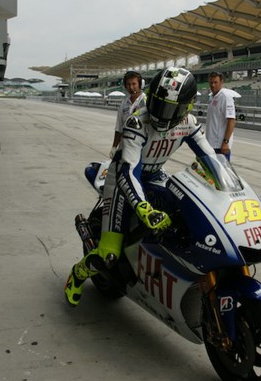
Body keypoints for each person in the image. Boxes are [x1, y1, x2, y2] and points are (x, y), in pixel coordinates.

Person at [64, 66, 217, 306]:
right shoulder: (137, 122)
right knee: (109, 254)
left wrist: (227, 184)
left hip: (155, 174)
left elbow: (211, 159)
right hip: (121, 182)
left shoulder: (188, 122)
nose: (161, 113)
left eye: (169, 108)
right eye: (157, 104)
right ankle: (79, 273)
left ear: (186, 106)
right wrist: (144, 208)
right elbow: (128, 172)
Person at [109, 70, 145, 159]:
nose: (131, 87)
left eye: (134, 84)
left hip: (143, 148)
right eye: (128, 84)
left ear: (140, 85)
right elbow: (119, 128)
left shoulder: (146, 102)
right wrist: (114, 147)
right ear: (125, 86)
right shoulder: (123, 104)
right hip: (125, 148)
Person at [205, 71, 236, 160]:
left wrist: (226, 142)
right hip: (211, 145)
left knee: (222, 173)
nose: (213, 85)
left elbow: (232, 121)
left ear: (221, 82)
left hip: (220, 146)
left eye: (215, 82)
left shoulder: (225, 97)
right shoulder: (213, 97)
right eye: (211, 82)